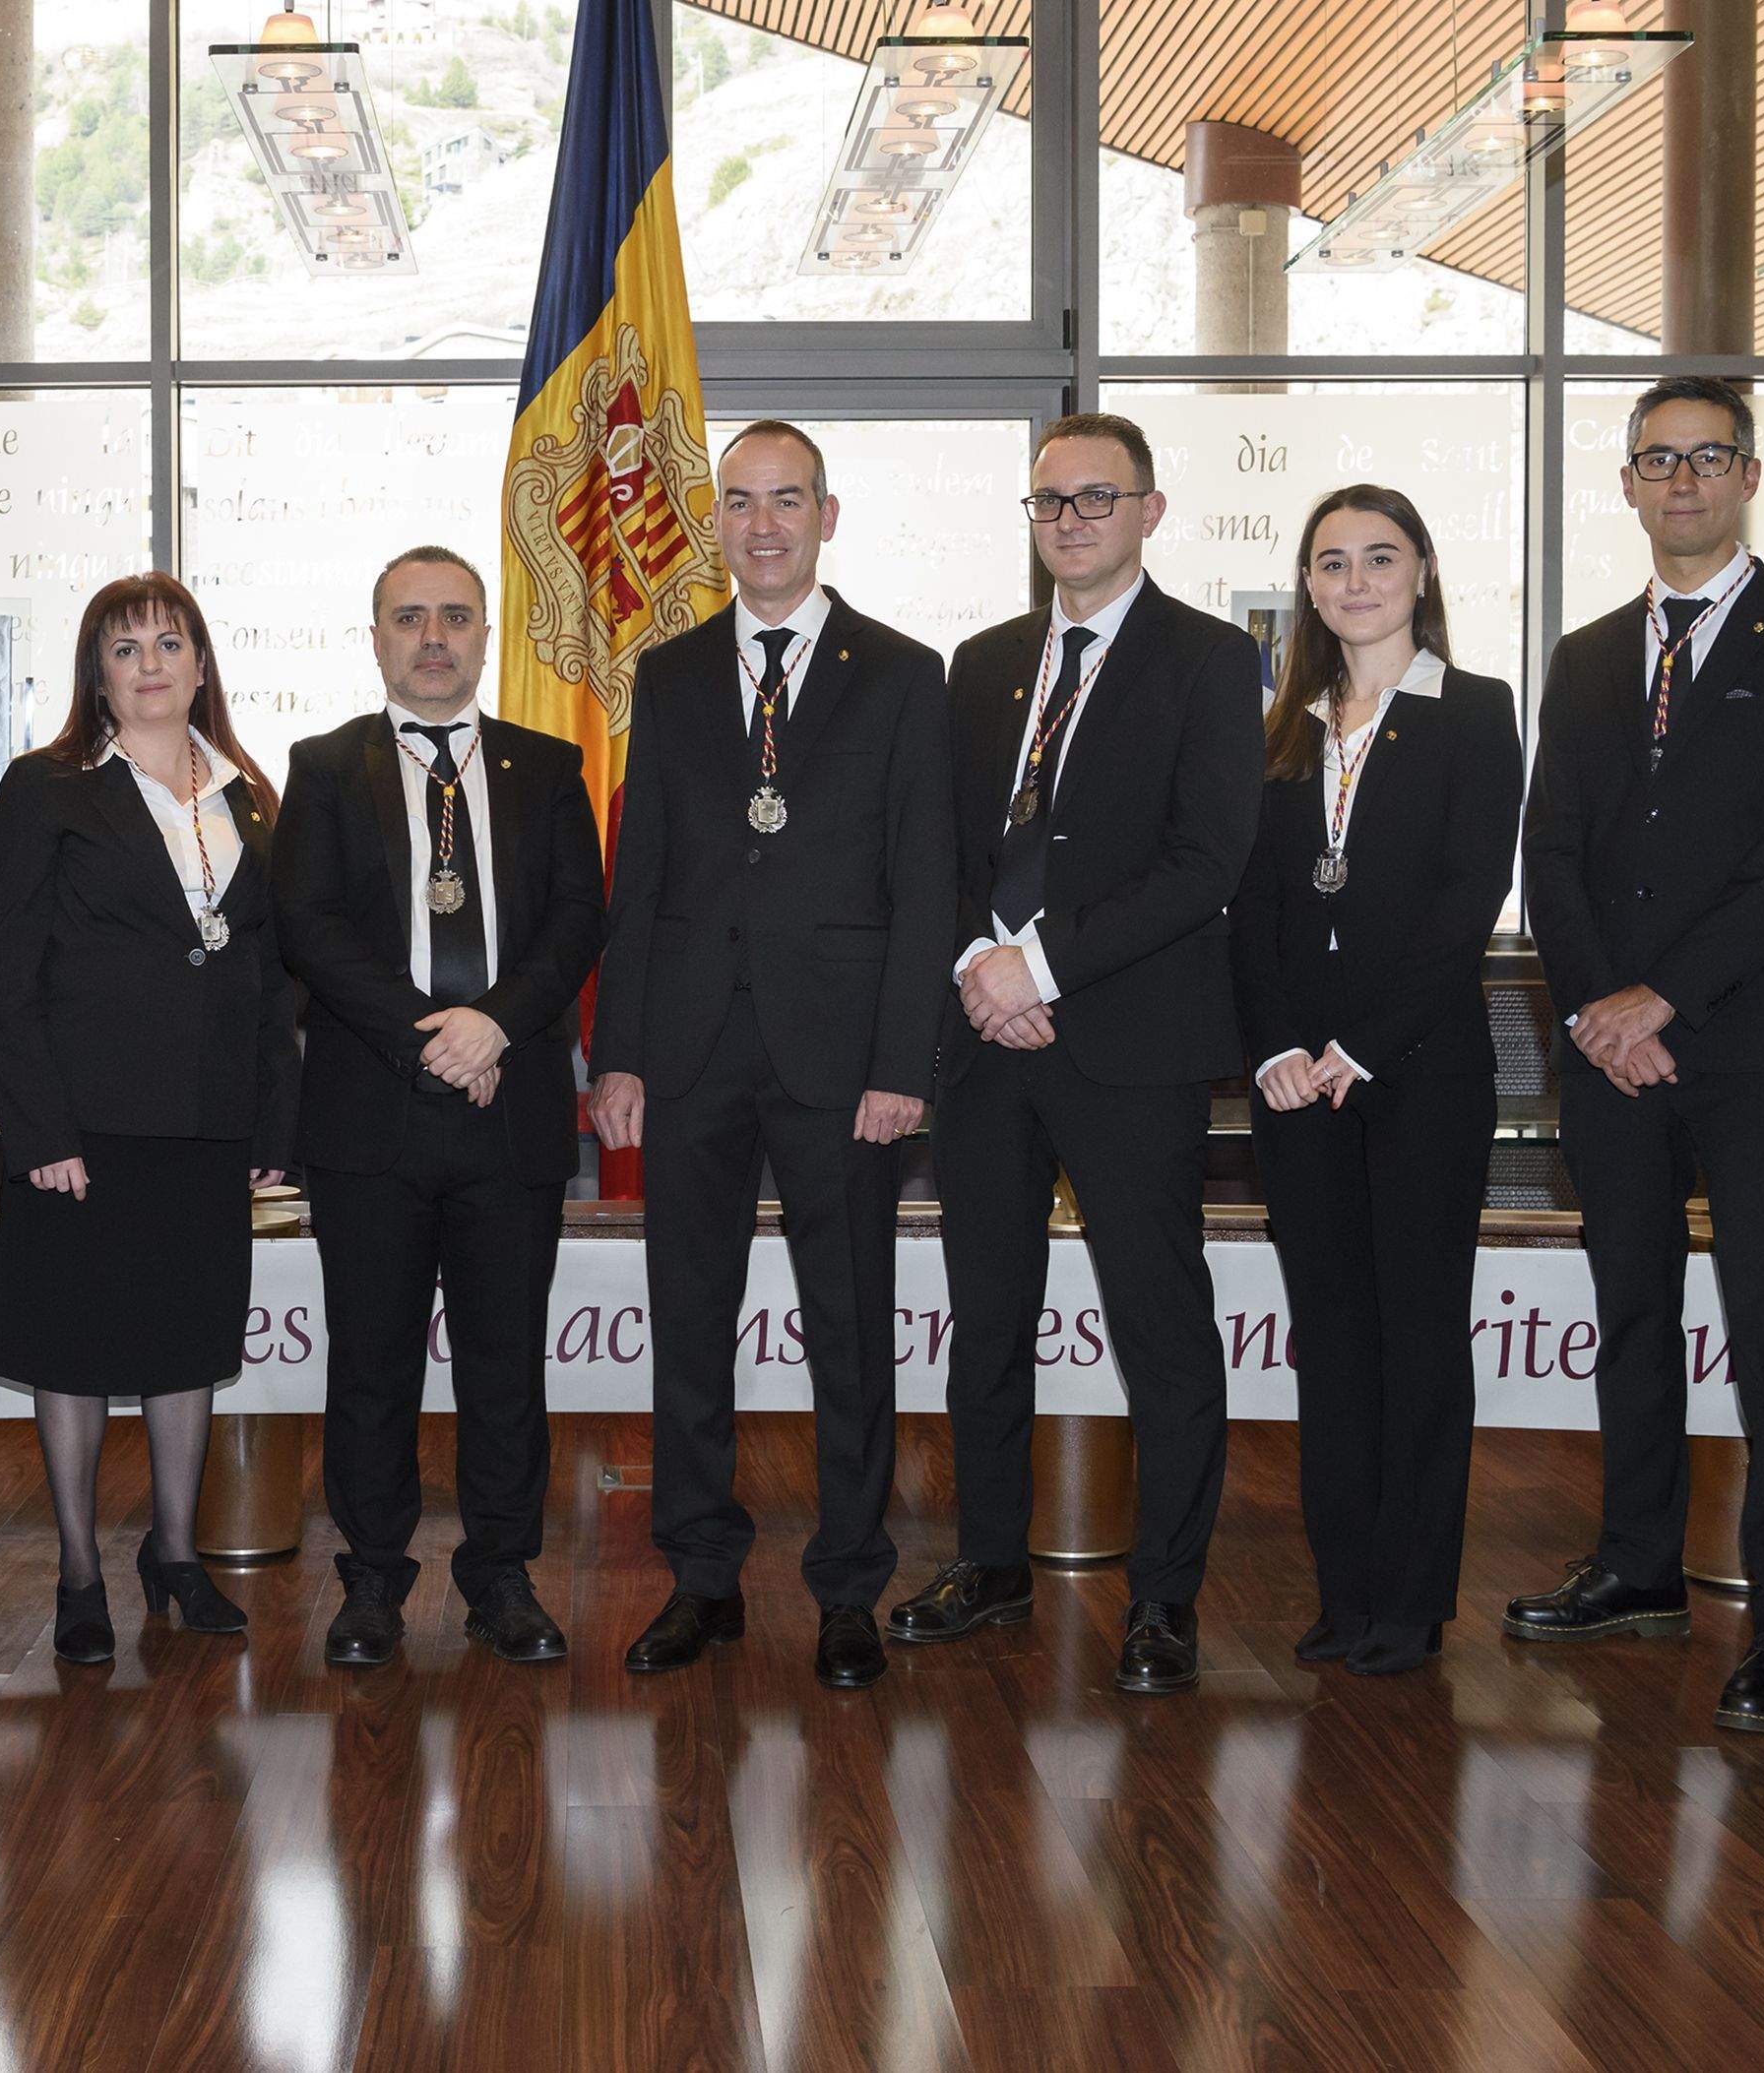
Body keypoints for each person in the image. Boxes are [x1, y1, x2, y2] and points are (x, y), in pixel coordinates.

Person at [1509, 374, 1764, 1732]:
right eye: (1654, 461)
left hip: (1750, 1046)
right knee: (1628, 1314)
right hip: (1608, 1051)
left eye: (1704, 458)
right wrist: (1601, 1006)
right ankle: (1635, 1564)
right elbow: (1548, 847)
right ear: (1622, 484)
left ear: (1747, 474)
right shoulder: (1587, 652)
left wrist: (1660, 996)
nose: (1679, 483)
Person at [890, 412, 1264, 1696]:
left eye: (1094, 497)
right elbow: (938, 848)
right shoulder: (981, 662)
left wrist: (1036, 969)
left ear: (1148, 511)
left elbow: (1205, 860)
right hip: (983, 1046)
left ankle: (1163, 1594)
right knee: (984, 1316)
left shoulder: (1211, 661)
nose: (1069, 519)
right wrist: (974, 975)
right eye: (1048, 500)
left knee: (1155, 1325)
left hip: (1127, 1045)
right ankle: (989, 1561)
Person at [591, 420, 956, 1691]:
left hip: (844, 1058)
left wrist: (903, 1061)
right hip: (688, 1050)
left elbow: (925, 886)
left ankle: (848, 1583)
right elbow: (635, 878)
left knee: (849, 1329)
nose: (761, 525)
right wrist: (617, 1049)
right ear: (715, 524)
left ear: (826, 514)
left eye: (784, 500)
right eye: (738, 503)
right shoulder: (672, 672)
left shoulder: (906, 675)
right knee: (687, 1327)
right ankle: (701, 1578)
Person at [275, 548, 604, 1669]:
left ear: (485, 636)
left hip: (508, 1112)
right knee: (370, 1363)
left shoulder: (548, 766)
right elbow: (310, 925)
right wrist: (433, 1035)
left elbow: (575, 920)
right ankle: (370, 1581)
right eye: (408, 617)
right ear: (374, 637)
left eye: (454, 617)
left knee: (507, 1363)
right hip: (372, 1115)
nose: (432, 636)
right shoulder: (320, 768)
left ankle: (501, 1576)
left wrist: (495, 1025)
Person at [0, 574, 297, 1665]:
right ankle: (78, 1570)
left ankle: (174, 1554)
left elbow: (267, 975)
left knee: (185, 1346)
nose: (151, 663)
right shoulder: (47, 787)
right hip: (84, 1128)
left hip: (207, 1123)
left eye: (171, 642)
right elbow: (5, 974)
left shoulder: (249, 794)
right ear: (96, 674)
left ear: (204, 664)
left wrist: (269, 1129)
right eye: (126, 648)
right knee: (72, 1349)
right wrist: (40, 1134)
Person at [1229, 486, 1520, 1677]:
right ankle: (1343, 1592)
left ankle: (1410, 1604)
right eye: (1332, 562)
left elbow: (1467, 906)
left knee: (1418, 1343)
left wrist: (1359, 1048)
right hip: (1297, 1088)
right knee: (1333, 1343)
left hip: (1419, 1079)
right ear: (1308, 585)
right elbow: (1249, 909)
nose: (1355, 581)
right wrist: (1277, 1049)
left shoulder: (1474, 712)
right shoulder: (1284, 723)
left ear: (1424, 568)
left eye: (1379, 557)